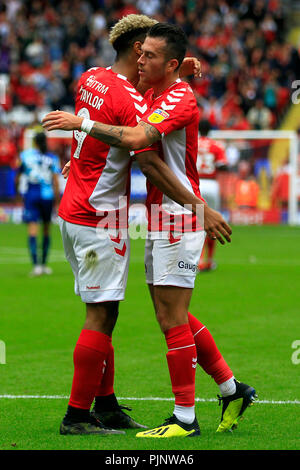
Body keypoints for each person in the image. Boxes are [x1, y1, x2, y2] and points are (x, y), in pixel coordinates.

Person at [43, 22, 256, 437]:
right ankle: (227, 390)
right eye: (142, 56)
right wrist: (181, 68)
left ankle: (183, 418)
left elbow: (146, 149)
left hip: (160, 213)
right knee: (154, 313)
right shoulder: (146, 91)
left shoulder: (92, 77)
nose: (143, 63)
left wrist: (199, 208)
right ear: (137, 50)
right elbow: (144, 105)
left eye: (151, 58)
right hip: (111, 213)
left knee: (161, 315)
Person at [17, 131, 60, 277]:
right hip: (47, 197)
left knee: (33, 230)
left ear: (34, 142)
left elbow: (18, 176)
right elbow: (55, 181)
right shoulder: (52, 158)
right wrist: (57, 201)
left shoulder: (26, 155)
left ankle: (36, 266)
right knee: (46, 230)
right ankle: (44, 264)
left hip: (32, 195)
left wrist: (18, 194)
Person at [196, 119, 228, 272]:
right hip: (212, 184)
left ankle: (197, 260)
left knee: (196, 223)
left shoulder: (192, 143)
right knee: (212, 221)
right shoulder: (217, 145)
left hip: (196, 185)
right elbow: (223, 165)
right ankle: (209, 260)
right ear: (210, 130)